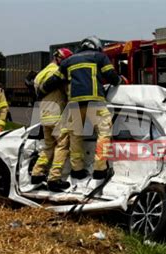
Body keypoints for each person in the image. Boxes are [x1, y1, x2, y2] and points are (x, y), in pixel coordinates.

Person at [42, 36, 123, 191]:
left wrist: (42, 90)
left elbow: (54, 80)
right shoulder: (99, 57)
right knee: (104, 133)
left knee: (75, 137)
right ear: (96, 47)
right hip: (95, 103)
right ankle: (100, 169)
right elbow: (111, 76)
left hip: (74, 105)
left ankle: (77, 170)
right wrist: (119, 81)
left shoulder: (68, 61)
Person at [31, 48, 73, 192]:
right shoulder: (56, 73)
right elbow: (67, 92)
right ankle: (54, 178)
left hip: (44, 116)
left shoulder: (41, 73)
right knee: (62, 145)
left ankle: (37, 173)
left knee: (48, 146)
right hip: (56, 115)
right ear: (59, 59)